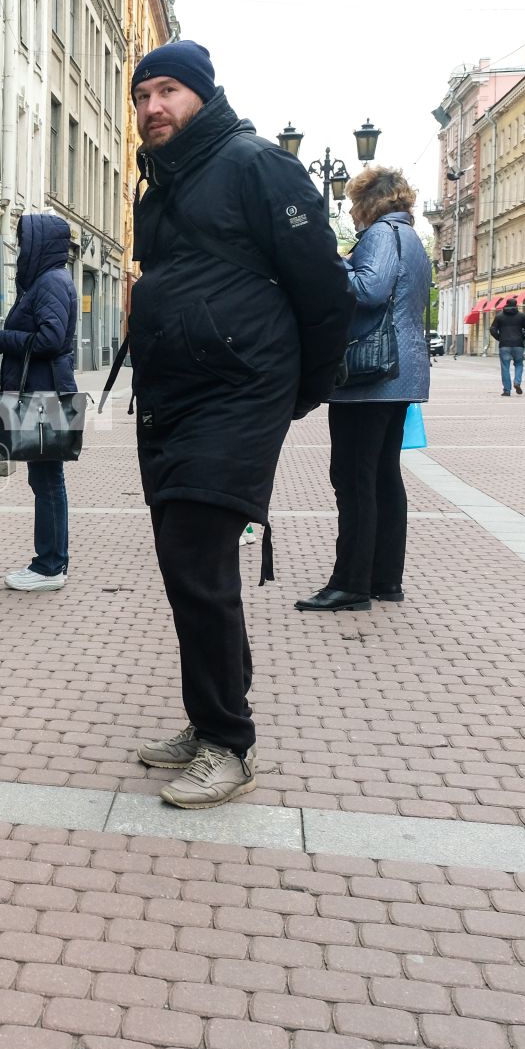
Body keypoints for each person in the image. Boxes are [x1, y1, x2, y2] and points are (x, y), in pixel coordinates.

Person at [125, 41, 354, 810]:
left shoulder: (255, 164)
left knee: (198, 562)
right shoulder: (154, 191)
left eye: (167, 91)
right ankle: (208, 721)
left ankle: (230, 744)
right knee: (186, 569)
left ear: (200, 94)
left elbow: (324, 288)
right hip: (171, 399)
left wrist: (295, 391)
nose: (153, 108)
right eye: (142, 96)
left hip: (237, 394)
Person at [296, 168, 431, 614]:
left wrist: (332, 265)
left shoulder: (381, 234)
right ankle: (384, 578)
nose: (352, 212)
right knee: (383, 479)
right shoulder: (410, 237)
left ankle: (350, 584)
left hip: (370, 377)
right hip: (400, 375)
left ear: (371, 203)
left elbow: (368, 289)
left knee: (353, 480)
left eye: (355, 203)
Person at [0, 213, 77, 592]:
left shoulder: (51, 282)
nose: (21, 249)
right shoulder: (46, 280)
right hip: (43, 390)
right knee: (45, 478)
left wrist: (4, 339)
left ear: (41, 245)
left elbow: (51, 339)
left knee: (48, 479)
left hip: (44, 392)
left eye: (25, 242)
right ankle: (50, 562)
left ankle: (50, 565)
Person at [490, 297, 525, 395]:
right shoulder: (522, 316)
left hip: (504, 344)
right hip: (518, 344)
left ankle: (507, 390)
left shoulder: (499, 316)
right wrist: (522, 338)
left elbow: (492, 329)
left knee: (505, 367)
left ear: (506, 304)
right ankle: (517, 382)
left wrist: (499, 338)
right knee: (519, 364)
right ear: (516, 304)